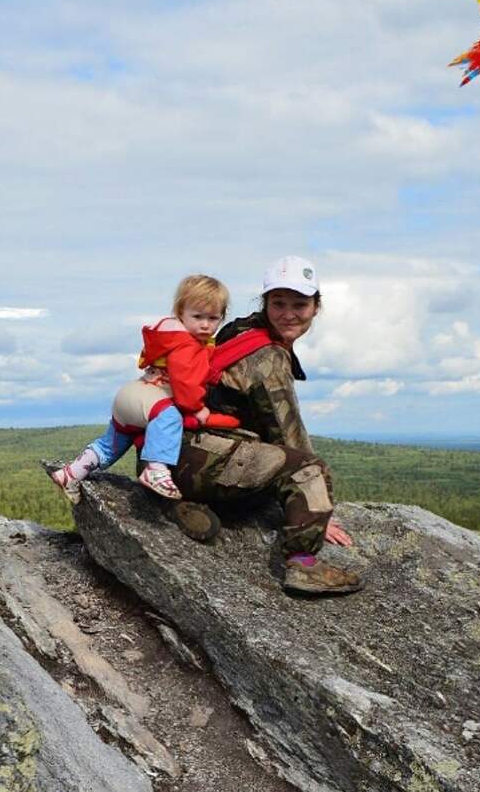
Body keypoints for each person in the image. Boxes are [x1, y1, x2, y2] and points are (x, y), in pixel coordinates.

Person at [147, 255, 362, 596]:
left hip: (167, 456)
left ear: (315, 307)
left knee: (267, 474)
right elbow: (286, 431)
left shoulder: (237, 330)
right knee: (309, 469)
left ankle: (183, 503)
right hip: (197, 455)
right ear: (265, 303)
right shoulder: (266, 356)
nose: (288, 313)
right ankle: (303, 565)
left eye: (299, 304)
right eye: (279, 303)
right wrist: (318, 511)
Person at [50, 274, 234, 502]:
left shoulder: (176, 339)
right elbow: (184, 383)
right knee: (170, 417)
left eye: (213, 318)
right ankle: (155, 469)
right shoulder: (186, 345)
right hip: (150, 400)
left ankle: (71, 473)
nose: (205, 324)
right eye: (197, 317)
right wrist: (197, 409)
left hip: (131, 398)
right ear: (180, 313)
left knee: (111, 445)